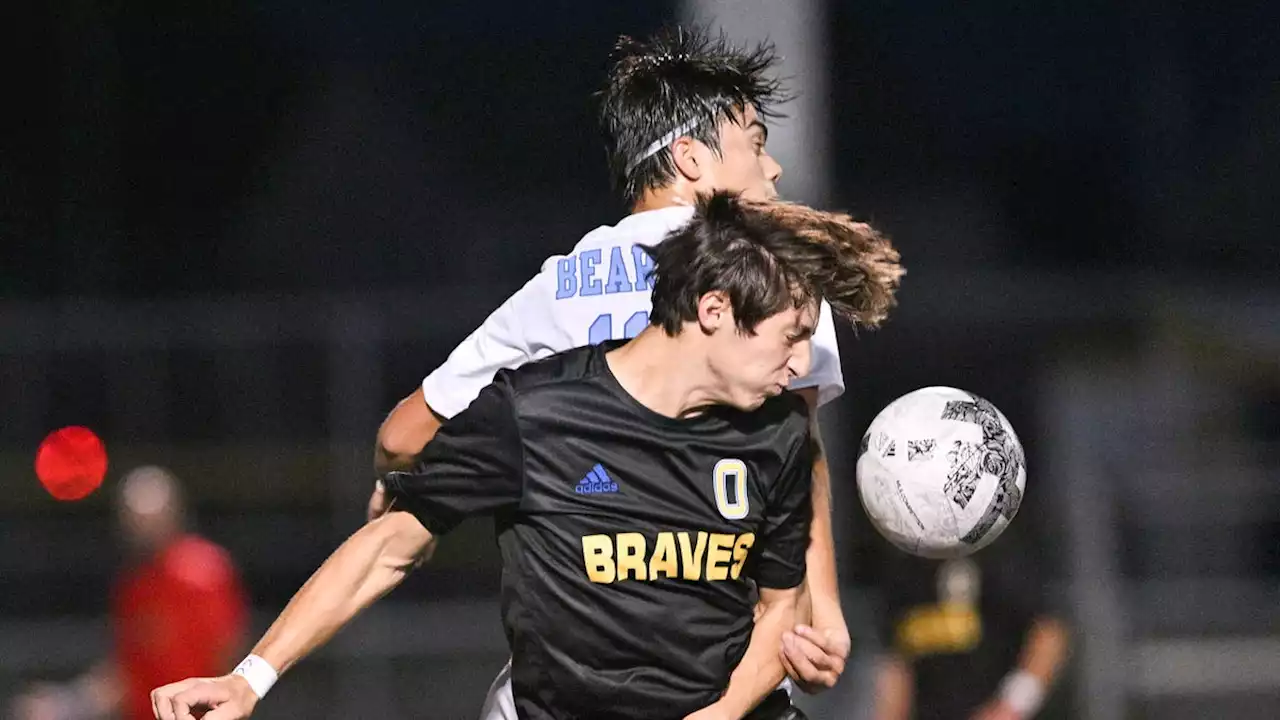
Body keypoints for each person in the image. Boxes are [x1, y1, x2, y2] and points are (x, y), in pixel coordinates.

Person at [149, 192, 904, 720]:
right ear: (713, 311)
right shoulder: (532, 413)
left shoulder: (775, 436)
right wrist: (249, 680)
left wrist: (724, 712)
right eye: (790, 336)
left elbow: (777, 612)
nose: (801, 360)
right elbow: (387, 547)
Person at [370, 27, 856, 715]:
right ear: (691, 156)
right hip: (715, 665)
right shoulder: (768, 277)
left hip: (574, 672)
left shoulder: (558, 286)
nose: (772, 168)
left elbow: (402, 436)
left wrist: (411, 487)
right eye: (755, 140)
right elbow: (798, 453)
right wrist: (819, 608)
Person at [11, 466, 249, 720]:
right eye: (133, 518)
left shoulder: (205, 571)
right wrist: (67, 704)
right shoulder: (133, 586)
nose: (140, 527)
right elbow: (127, 672)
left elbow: (229, 655)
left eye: (149, 518)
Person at [870, 525, 1071, 720]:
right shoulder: (904, 569)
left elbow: (1049, 633)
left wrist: (1010, 707)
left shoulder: (1000, 552)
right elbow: (896, 666)